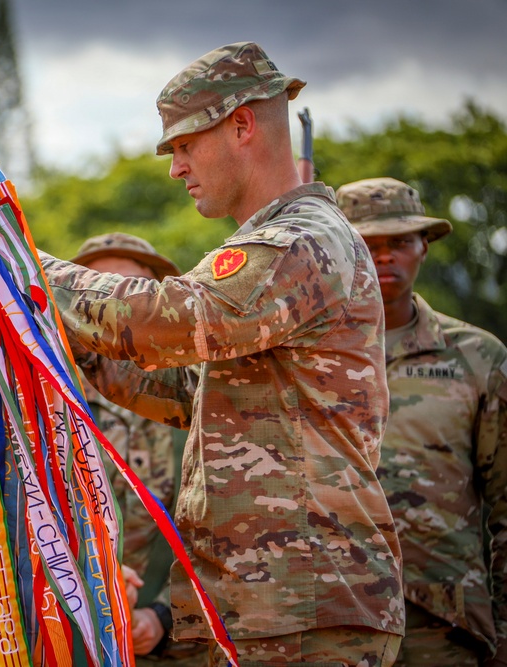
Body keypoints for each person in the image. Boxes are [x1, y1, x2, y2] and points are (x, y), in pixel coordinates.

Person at [39, 42, 403, 666]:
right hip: (264, 605)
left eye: (185, 144)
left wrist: (26, 267)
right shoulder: (277, 243)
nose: (176, 168)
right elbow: (187, 390)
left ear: (241, 125)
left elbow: (169, 320)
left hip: (305, 606)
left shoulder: (300, 239)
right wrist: (70, 342)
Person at [336, 176, 507, 667]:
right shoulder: (307, 356)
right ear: (340, 253)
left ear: (424, 248)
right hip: (335, 616)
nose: (385, 256)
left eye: (401, 242)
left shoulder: (477, 357)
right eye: (369, 243)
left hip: (446, 623)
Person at [70, 232, 206, 666]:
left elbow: (230, 525)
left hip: (180, 644)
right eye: (98, 288)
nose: (114, 302)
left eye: (129, 288)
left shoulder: (200, 390)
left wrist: (166, 613)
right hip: (69, 636)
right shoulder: (47, 396)